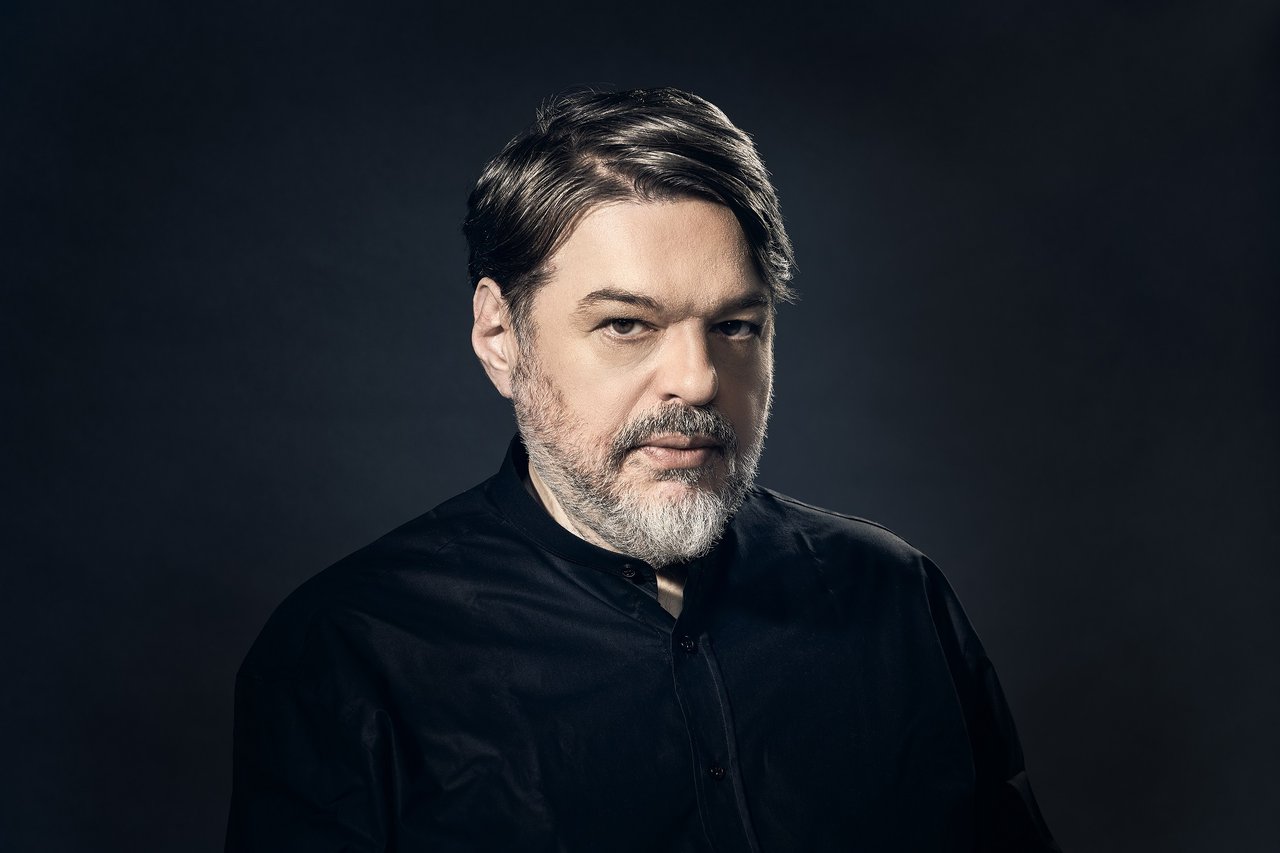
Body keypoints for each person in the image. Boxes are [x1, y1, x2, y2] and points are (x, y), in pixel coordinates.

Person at [225, 87, 1060, 852]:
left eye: (735, 326)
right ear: (500, 337)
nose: (697, 380)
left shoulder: (897, 596)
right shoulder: (349, 653)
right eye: (627, 324)